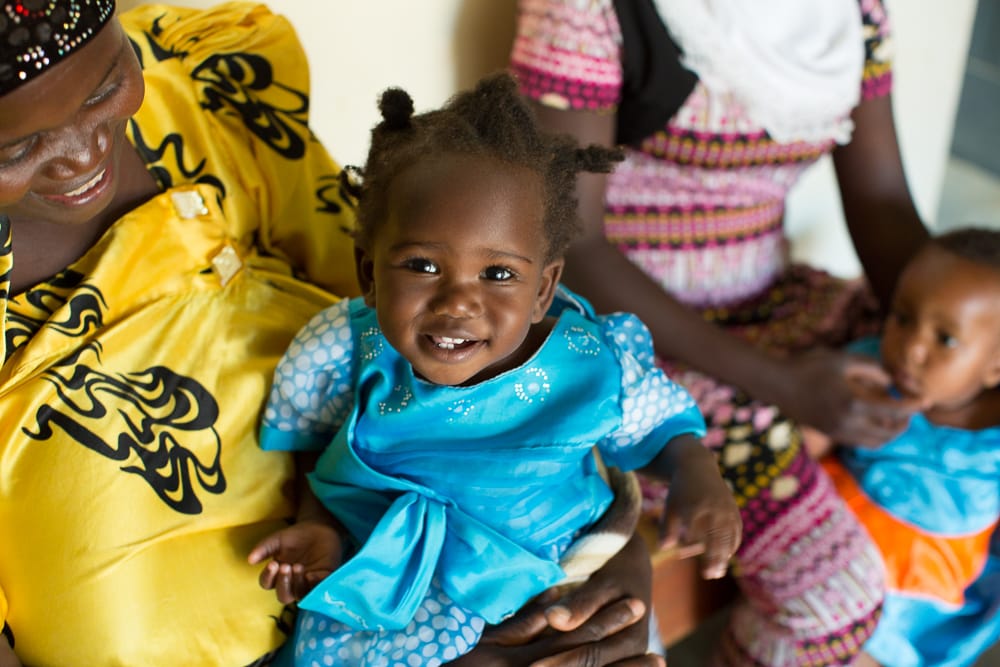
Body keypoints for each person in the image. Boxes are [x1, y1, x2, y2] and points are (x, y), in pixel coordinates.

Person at [0, 2, 671, 665]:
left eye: (106, 88)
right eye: (20, 147)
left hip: (483, 590)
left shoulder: (201, 94)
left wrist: (598, 543)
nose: (84, 151)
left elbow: (467, 349)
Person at [246, 72, 743, 667]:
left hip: (560, 578)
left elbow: (661, 427)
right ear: (369, 273)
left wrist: (698, 476)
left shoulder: (590, 361)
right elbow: (309, 450)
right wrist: (318, 527)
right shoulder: (341, 350)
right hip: (399, 597)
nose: (458, 302)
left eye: (499, 274)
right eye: (423, 266)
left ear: (544, 288)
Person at [509, 0, 930, 663]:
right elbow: (571, 241)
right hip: (631, 343)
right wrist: (785, 385)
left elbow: (882, 203)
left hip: (772, 310)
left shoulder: (853, 13)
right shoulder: (588, 10)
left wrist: (967, 335)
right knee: (834, 604)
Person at [817, 227, 1000, 667]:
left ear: (995, 366)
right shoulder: (870, 374)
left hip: (913, 600)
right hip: (827, 553)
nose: (911, 348)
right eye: (902, 318)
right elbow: (804, 445)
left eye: (945, 339)